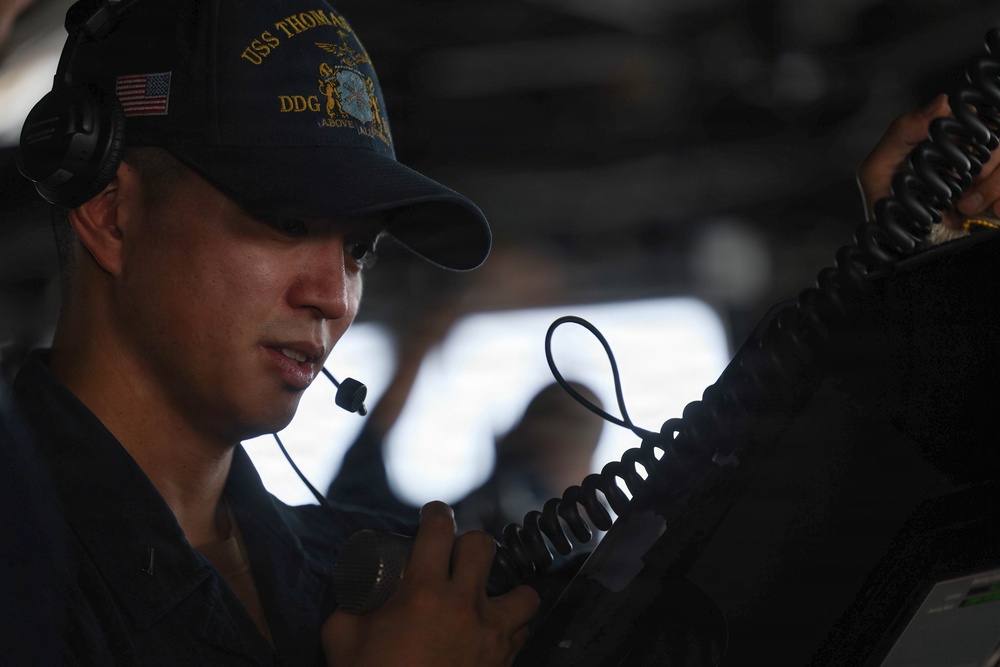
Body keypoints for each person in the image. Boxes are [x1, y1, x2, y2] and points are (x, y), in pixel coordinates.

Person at [8, 0, 537, 665]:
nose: (333, 297)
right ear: (113, 216)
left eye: (359, 250)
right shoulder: (23, 571)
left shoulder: (366, 579)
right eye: (286, 222)